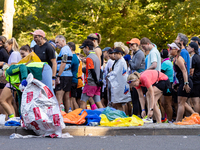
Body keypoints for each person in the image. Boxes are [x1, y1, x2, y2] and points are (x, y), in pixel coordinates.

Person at [168, 42, 194, 122]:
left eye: (171, 48)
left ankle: (178, 121)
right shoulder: (176, 58)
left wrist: (186, 83)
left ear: (176, 50)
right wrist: (176, 84)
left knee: (181, 103)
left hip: (185, 81)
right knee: (181, 102)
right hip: (182, 82)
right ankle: (195, 114)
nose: (169, 50)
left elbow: (184, 71)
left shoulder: (179, 59)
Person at [0, 38, 21, 118]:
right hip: (14, 80)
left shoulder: (14, 54)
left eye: (7, 46)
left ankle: (11, 117)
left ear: (11, 45)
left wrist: (4, 64)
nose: (6, 48)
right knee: (8, 101)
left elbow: (14, 65)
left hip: (12, 81)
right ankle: (13, 119)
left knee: (2, 100)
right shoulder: (16, 53)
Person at [79, 39, 103, 109]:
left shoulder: (89, 57)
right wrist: (98, 81)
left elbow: (92, 70)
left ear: (87, 47)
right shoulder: (96, 56)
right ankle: (104, 115)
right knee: (98, 102)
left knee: (83, 101)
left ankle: (82, 118)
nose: (83, 50)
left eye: (83, 48)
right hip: (97, 83)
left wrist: (95, 81)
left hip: (91, 83)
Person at [107, 47, 131, 111]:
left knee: (118, 103)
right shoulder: (118, 61)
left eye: (115, 54)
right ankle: (121, 116)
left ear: (120, 54)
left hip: (120, 85)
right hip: (118, 84)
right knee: (117, 103)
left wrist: (109, 74)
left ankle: (122, 116)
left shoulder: (121, 61)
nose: (114, 55)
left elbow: (116, 72)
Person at [55, 35, 73, 113]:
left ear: (63, 41)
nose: (56, 44)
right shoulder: (68, 49)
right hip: (68, 75)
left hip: (63, 75)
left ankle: (59, 115)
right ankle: (68, 114)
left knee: (59, 96)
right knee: (66, 97)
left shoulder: (64, 49)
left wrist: (58, 75)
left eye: (57, 42)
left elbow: (64, 62)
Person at [160, 49, 173, 123]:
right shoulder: (167, 61)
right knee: (163, 103)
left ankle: (170, 120)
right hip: (167, 84)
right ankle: (167, 119)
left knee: (167, 103)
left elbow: (160, 73)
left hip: (168, 84)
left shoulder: (165, 63)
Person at [187, 42, 200, 113]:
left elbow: (191, 72)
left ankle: (196, 118)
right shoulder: (198, 56)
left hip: (195, 81)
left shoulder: (193, 57)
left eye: (188, 47)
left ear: (192, 49)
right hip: (198, 80)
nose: (187, 48)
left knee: (195, 101)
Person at [67, 42, 79, 110]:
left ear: (70, 48)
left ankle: (74, 114)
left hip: (72, 79)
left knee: (71, 99)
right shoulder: (75, 57)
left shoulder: (72, 57)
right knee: (73, 98)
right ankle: (76, 114)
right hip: (75, 79)